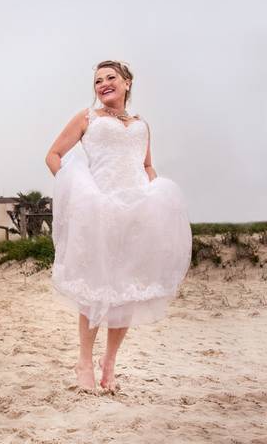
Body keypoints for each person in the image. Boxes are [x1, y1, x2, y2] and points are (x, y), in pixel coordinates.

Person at [44, 61, 191, 393]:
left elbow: (147, 165)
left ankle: (109, 362)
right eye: (98, 80)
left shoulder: (142, 124)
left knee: (127, 289)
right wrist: (75, 192)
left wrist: (153, 194)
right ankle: (84, 362)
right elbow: (53, 155)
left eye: (111, 77)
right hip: (99, 210)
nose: (104, 84)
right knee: (94, 287)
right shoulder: (88, 118)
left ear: (127, 83)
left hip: (136, 213)